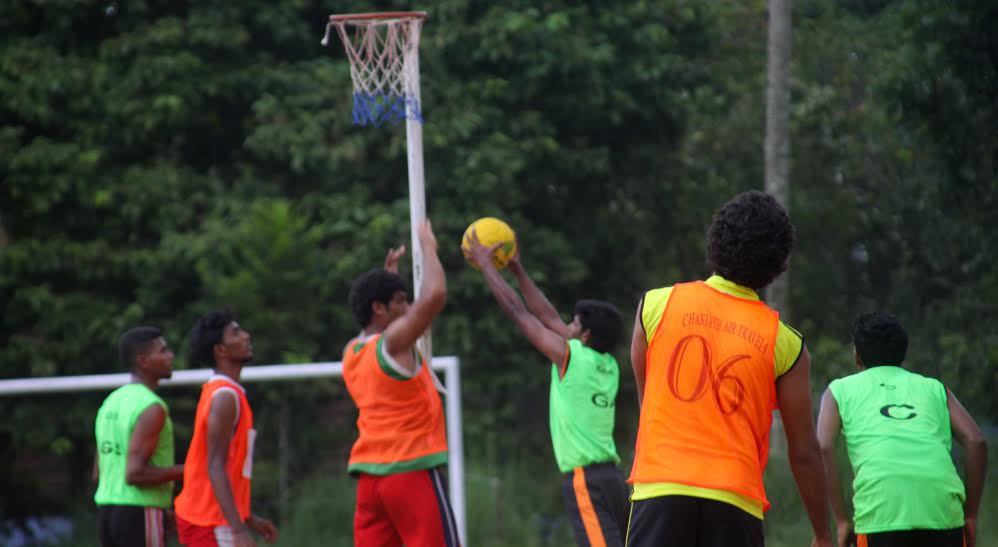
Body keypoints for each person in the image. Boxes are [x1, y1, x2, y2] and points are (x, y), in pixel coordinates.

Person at [626, 190, 832, 547]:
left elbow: (649, 405)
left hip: (660, 489)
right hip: (736, 502)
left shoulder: (655, 306)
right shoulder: (788, 345)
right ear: (778, 264)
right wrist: (823, 534)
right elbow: (804, 452)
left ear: (715, 240)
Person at [465, 232, 629, 547]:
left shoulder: (570, 357)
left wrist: (488, 267)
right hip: (614, 480)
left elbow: (520, 313)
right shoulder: (609, 366)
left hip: (587, 482)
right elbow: (548, 316)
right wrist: (518, 270)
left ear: (584, 335)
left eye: (574, 324)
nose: (566, 325)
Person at [816, 311, 988, 547]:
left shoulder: (839, 391)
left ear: (857, 356)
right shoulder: (934, 388)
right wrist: (970, 515)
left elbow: (823, 446)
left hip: (881, 515)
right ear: (902, 355)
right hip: (943, 514)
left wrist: (842, 520)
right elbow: (976, 441)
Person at [343, 220, 460, 547]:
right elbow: (435, 295)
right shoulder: (392, 346)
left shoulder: (351, 351)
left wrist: (389, 276)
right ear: (379, 308)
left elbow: (383, 322)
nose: (408, 309)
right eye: (400, 301)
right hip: (410, 471)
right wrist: (429, 246)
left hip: (370, 483)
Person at [173, 311, 278, 547]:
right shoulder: (224, 397)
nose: (246, 336)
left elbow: (225, 466)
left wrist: (247, 518)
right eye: (236, 332)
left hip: (211, 517)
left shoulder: (228, 393)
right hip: (209, 520)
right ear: (220, 350)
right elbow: (214, 465)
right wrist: (238, 530)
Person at [94, 326, 185, 547]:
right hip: (140, 511)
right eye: (163, 351)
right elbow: (134, 474)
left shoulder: (110, 403)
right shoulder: (151, 407)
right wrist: (191, 469)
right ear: (143, 361)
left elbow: (98, 473)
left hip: (107, 513)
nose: (170, 355)